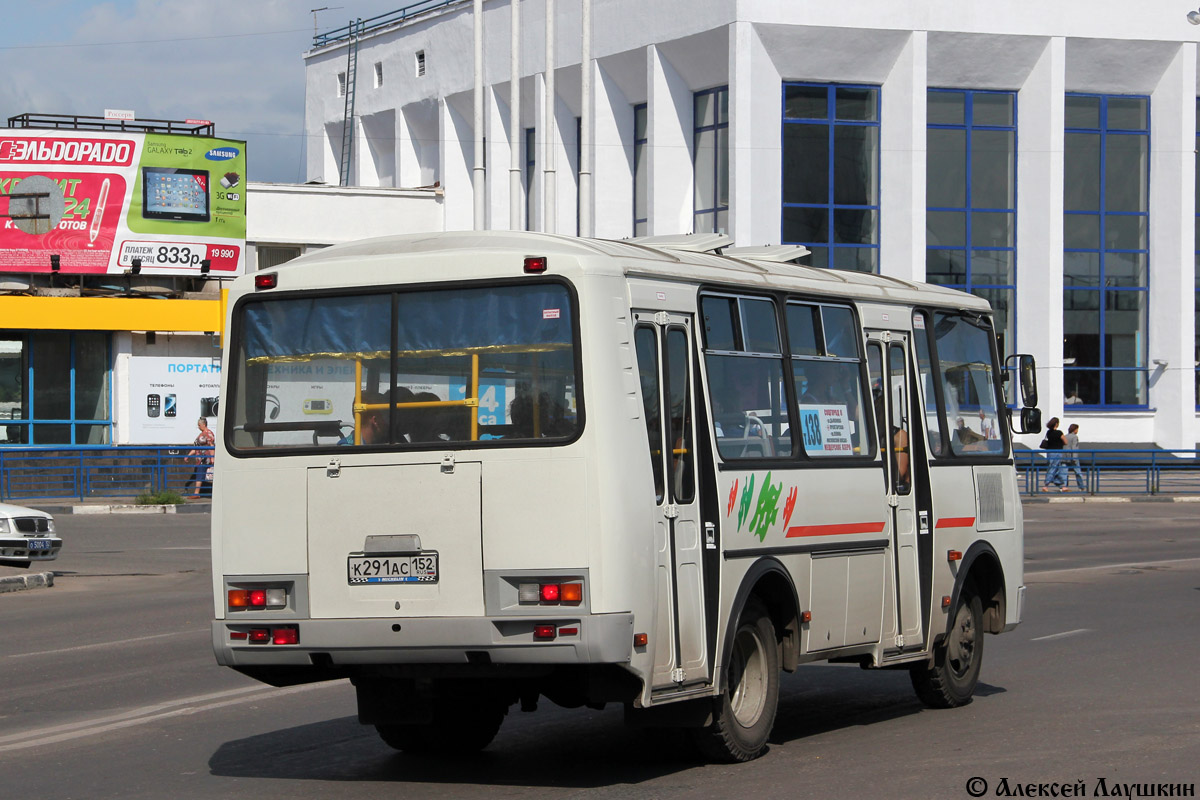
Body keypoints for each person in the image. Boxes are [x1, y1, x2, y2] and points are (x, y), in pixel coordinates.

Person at [187, 417, 215, 499]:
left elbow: (211, 446)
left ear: (204, 424)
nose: (198, 427)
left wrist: (212, 457)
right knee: (200, 475)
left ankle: (196, 493)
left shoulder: (208, 434)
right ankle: (197, 493)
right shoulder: (201, 434)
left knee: (200, 475)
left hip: (205, 459)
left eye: (199, 425)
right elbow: (196, 447)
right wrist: (188, 455)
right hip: (200, 459)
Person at [1040, 416, 1066, 491]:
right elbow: (1065, 441)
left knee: (1055, 468)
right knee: (1053, 468)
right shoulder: (1059, 433)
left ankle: (1061, 486)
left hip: (1050, 452)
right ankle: (1046, 485)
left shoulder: (1048, 432)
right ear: (1056, 424)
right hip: (1057, 452)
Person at [1064, 422, 1086, 493]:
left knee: (1064, 473)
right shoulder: (1075, 437)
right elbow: (1074, 447)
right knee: (1078, 472)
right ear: (1075, 430)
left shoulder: (1065, 436)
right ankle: (1081, 486)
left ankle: (1064, 486)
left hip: (1065, 457)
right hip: (1072, 457)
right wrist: (1074, 458)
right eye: (1077, 429)